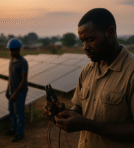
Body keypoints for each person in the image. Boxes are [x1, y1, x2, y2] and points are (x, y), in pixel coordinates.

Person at [43, 8, 134, 148]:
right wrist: (65, 113)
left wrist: (89, 125)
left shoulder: (131, 72)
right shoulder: (87, 71)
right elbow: (80, 106)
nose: (85, 47)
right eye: (82, 41)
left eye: (90, 40)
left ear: (110, 32)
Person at [5, 38, 28, 142]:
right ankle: (13, 129)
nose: (11, 52)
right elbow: (10, 77)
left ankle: (20, 133)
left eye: (13, 50)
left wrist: (15, 93)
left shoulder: (23, 62)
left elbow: (23, 80)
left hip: (20, 92)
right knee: (12, 112)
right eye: (10, 50)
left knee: (19, 113)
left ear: (18, 50)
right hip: (12, 91)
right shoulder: (11, 61)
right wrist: (7, 90)